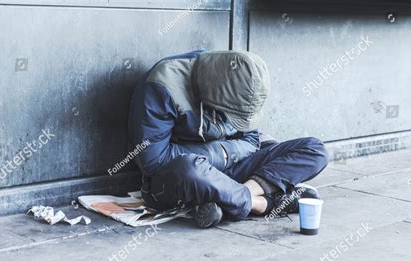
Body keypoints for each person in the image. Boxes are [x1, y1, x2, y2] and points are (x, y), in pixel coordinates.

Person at [128, 50, 328, 228]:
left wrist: (226, 158)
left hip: (231, 167)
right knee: (189, 168)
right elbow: (154, 161)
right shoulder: (161, 86)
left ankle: (231, 198)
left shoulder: (240, 80)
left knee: (315, 149)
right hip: (184, 178)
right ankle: (265, 203)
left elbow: (251, 140)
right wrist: (222, 154)